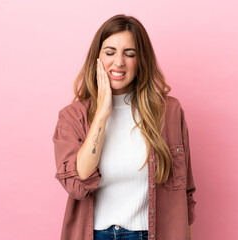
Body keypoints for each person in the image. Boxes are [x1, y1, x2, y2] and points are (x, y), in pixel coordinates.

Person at [52, 14, 197, 240]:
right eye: (110, 52)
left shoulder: (168, 112)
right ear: (96, 58)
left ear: (141, 61)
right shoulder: (72, 117)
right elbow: (77, 184)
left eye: (129, 54)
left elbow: (184, 194)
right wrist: (102, 113)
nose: (118, 62)